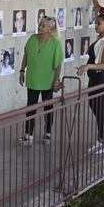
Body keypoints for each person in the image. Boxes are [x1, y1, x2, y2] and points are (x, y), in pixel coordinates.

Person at [18, 16, 63, 146]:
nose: (40, 26)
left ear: (51, 29)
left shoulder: (56, 43)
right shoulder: (32, 39)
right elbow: (26, 55)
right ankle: (28, 134)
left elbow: (58, 65)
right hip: (32, 80)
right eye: (40, 24)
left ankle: (48, 133)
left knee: (48, 108)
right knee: (31, 108)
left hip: (47, 82)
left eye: (43, 25)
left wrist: (56, 82)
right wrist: (22, 71)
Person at [76, 12, 104, 154]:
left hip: (103, 78)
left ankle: (101, 142)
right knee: (94, 104)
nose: (96, 25)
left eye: (99, 23)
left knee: (99, 108)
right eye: (96, 22)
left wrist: (88, 66)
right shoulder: (102, 38)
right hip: (96, 79)